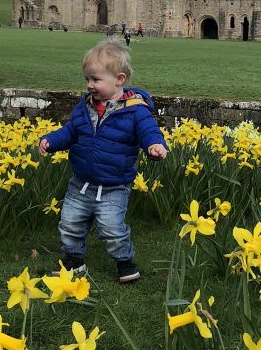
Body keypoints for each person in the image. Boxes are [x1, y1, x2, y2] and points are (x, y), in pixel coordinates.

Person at [38, 39, 168, 283]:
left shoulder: (135, 110)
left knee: (112, 228)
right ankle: (74, 261)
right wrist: (51, 141)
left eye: (96, 80)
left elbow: (149, 131)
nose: (89, 85)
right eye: (87, 79)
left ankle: (124, 262)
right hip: (81, 183)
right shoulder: (84, 108)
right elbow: (69, 132)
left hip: (114, 185)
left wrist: (155, 145)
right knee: (69, 224)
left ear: (119, 79)